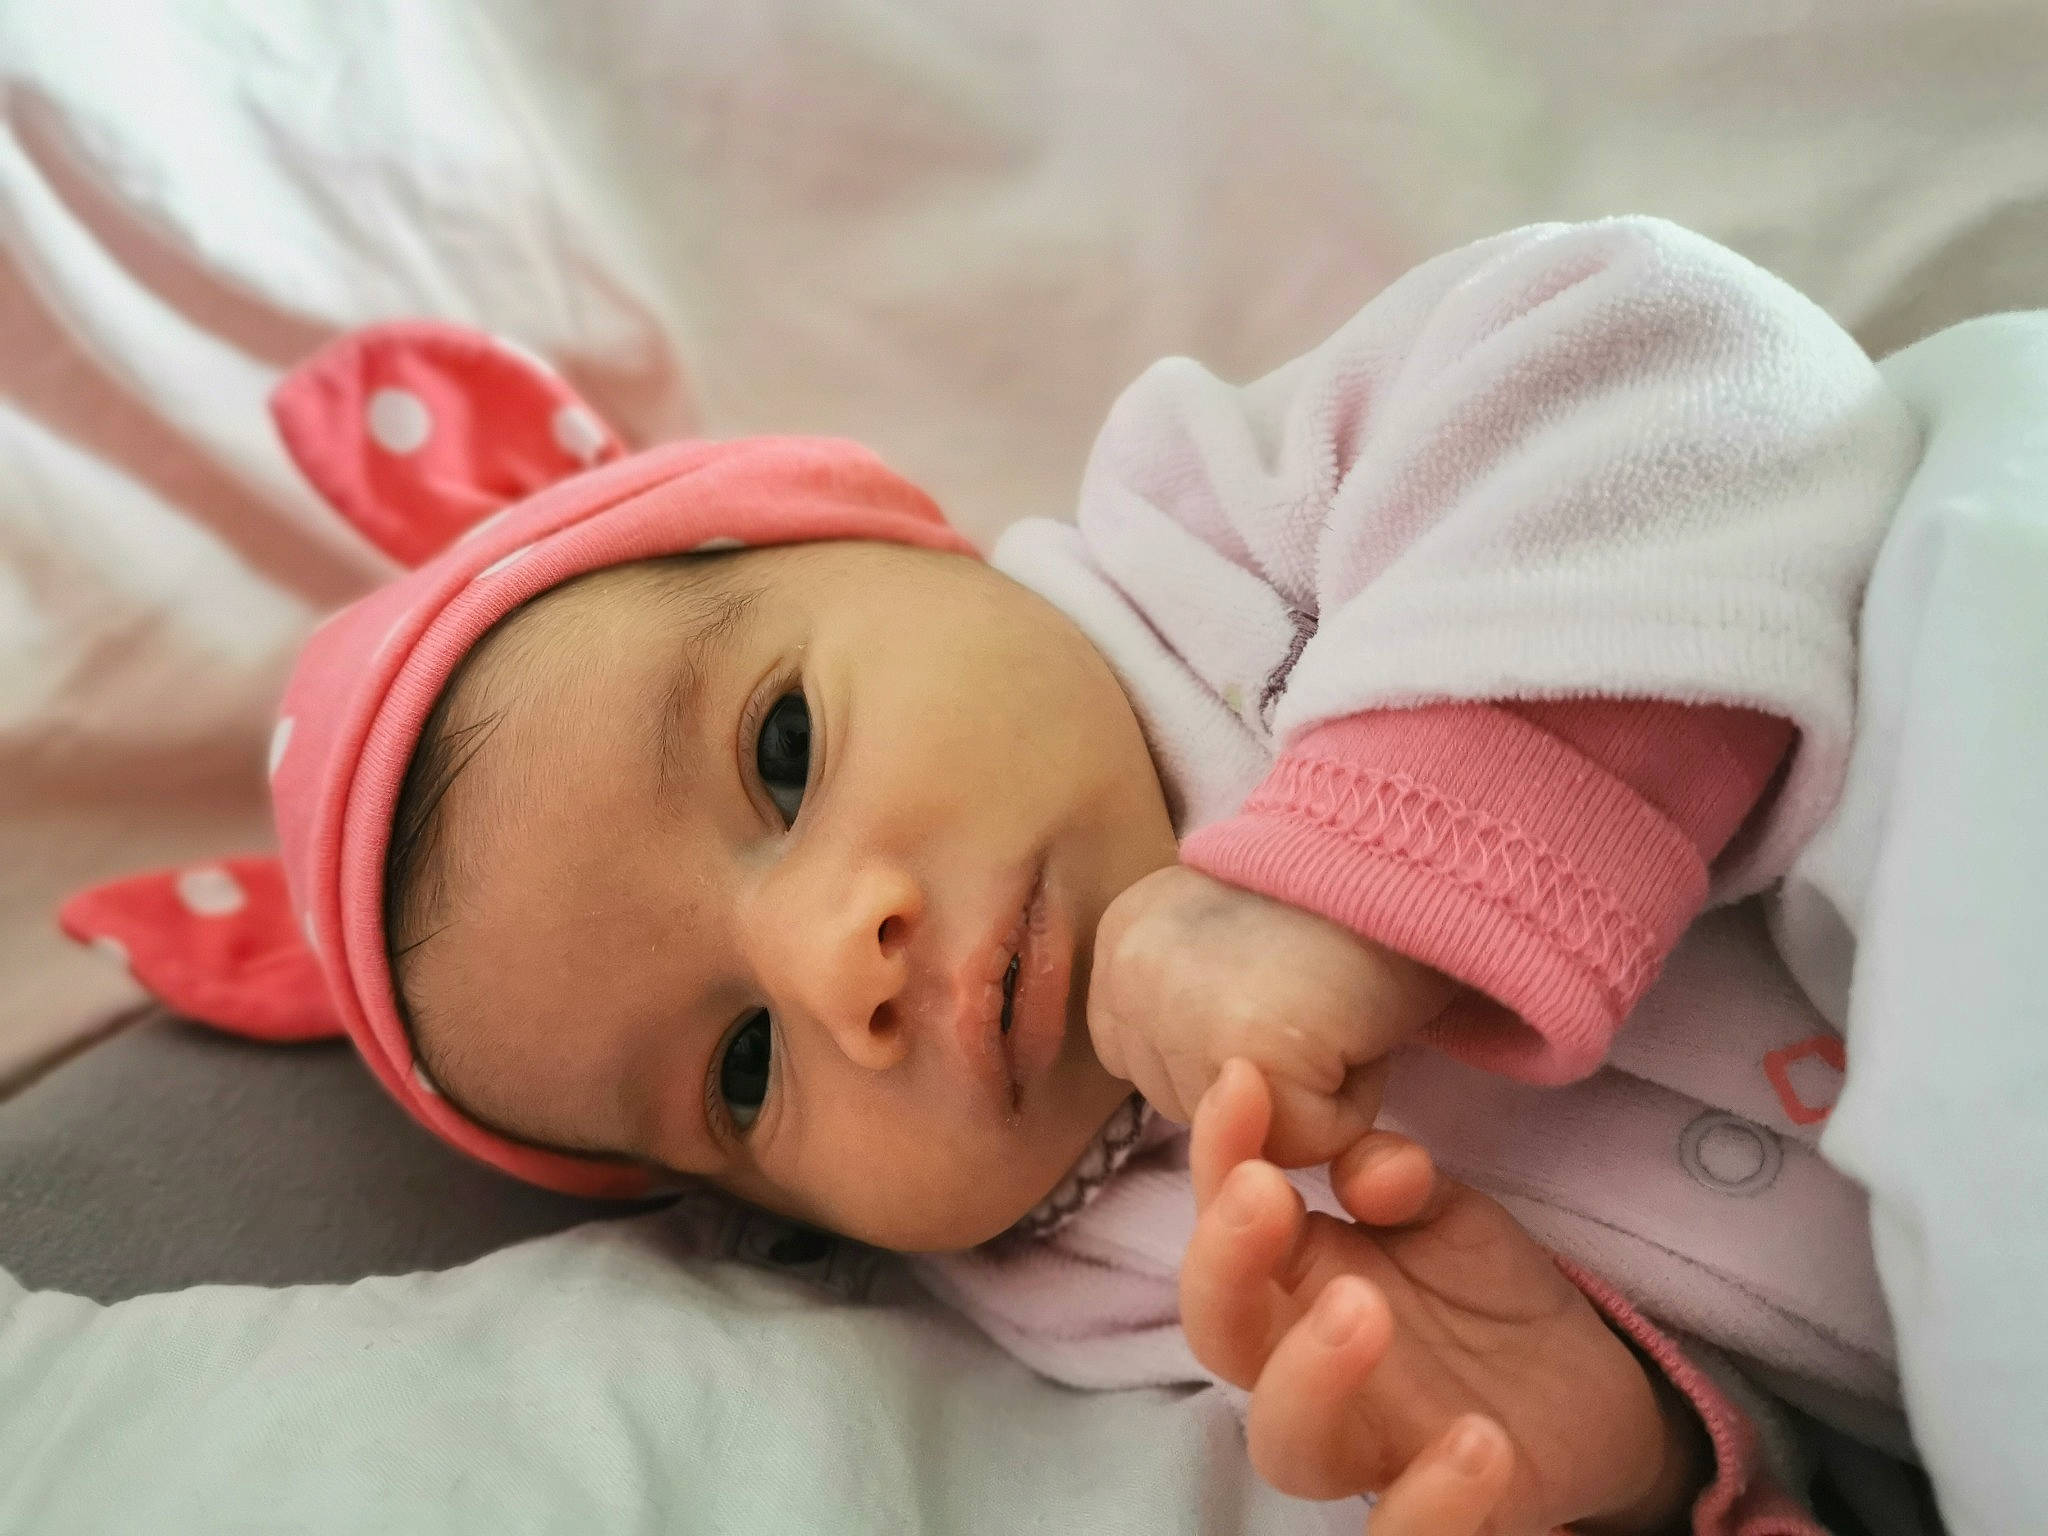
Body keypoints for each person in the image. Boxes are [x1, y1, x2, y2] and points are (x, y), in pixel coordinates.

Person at [66, 217, 1948, 1533]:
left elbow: (1694, 365)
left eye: (783, 752)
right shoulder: (1102, 1294)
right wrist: (1620, 1459)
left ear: (909, 539)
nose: (835, 965)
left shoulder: (1233, 543)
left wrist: (1345, 893)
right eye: (740, 1071)